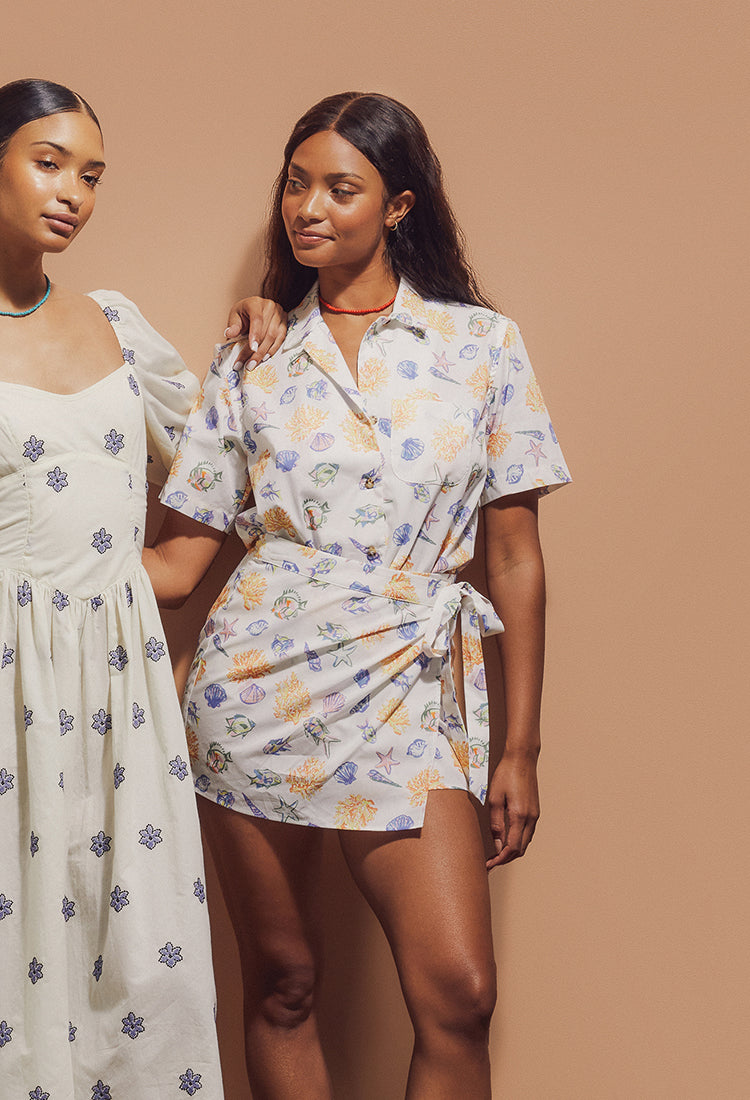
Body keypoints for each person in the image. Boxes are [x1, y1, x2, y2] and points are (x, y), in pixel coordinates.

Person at [145, 91, 571, 1097]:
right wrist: (40, 564)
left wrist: (519, 747)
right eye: (296, 184)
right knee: (285, 982)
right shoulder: (253, 352)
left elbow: (514, 559)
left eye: (341, 188)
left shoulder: (483, 346)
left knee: (459, 995)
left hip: (413, 687)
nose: (309, 207)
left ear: (399, 205)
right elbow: (181, 561)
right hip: (255, 686)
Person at [0, 78, 285, 1099]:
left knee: (139, 969)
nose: (72, 192)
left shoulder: (116, 323)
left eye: (91, 175)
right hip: (8, 682)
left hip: (120, 686)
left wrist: (253, 334)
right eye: (48, 162)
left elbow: (219, 459)